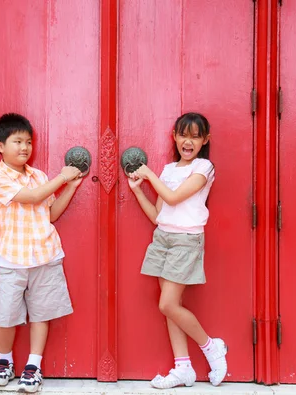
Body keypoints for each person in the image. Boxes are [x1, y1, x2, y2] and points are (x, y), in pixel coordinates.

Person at [127, 112, 227, 388]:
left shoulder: (204, 168)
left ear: (205, 140)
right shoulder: (169, 171)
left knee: (167, 304)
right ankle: (183, 367)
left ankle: (211, 346)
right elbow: (159, 214)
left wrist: (147, 173)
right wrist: (138, 190)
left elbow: (173, 197)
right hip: (163, 239)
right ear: (175, 136)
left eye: (196, 136)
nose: (188, 141)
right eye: (184, 135)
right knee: (172, 308)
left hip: (185, 241)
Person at [0, 113, 83, 393]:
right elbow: (30, 198)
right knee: (5, 315)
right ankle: (4, 362)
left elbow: (49, 213)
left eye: (28, 142)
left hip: (45, 254)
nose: (25, 147)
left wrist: (70, 187)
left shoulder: (38, 176)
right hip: (12, 258)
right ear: (0, 146)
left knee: (42, 312)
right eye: (17, 141)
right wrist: (62, 177)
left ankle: (33, 366)